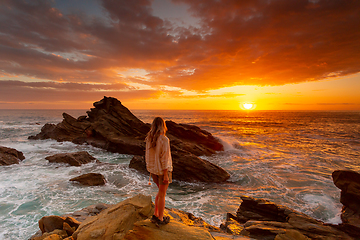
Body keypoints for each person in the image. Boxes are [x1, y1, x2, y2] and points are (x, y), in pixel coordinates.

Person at [145, 117, 173, 226]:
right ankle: (160, 218)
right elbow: (164, 158)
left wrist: (151, 169)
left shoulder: (149, 138)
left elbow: (147, 156)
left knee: (160, 193)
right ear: (163, 126)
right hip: (162, 171)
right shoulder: (164, 139)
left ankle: (155, 215)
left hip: (154, 170)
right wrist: (166, 174)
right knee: (162, 194)